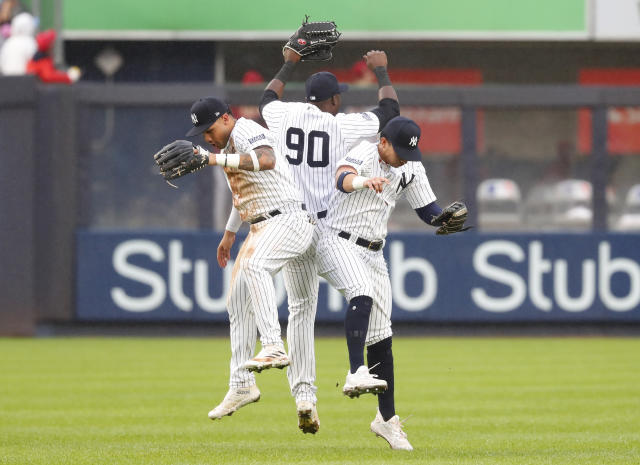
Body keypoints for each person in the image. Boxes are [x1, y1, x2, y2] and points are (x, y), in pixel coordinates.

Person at [219, 48, 399, 434]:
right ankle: (356, 368)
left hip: (290, 223)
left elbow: (267, 98)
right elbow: (390, 114)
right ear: (333, 100)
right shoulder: (343, 125)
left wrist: (289, 60)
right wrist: (382, 73)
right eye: (339, 96)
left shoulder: (283, 115)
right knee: (359, 292)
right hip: (328, 229)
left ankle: (304, 398)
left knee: (301, 309)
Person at [155, 97, 315, 421]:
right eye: (201, 133)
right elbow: (244, 190)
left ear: (227, 119)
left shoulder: (245, 129)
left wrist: (212, 158)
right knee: (237, 300)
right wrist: (230, 233)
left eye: (209, 128)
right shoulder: (228, 145)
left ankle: (273, 344)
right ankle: (241, 383)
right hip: (261, 223)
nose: (207, 137)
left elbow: (266, 160)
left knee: (256, 267)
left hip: (289, 219)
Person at [316, 116, 461, 450]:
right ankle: (355, 371)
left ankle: (386, 420)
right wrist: (363, 182)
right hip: (337, 239)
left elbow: (427, 211)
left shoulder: (410, 167)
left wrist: (445, 220)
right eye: (399, 150)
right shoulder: (365, 152)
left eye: (410, 152)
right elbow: (342, 179)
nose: (404, 157)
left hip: (374, 252)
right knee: (361, 293)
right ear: (383, 142)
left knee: (382, 338)